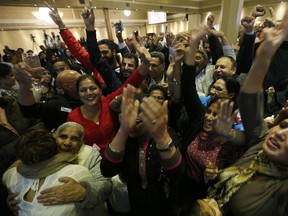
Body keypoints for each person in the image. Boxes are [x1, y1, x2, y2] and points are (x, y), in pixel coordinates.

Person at [191, 8, 288, 216]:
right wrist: (264, 56)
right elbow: (248, 99)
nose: (280, 133)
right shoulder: (261, 145)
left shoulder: (282, 188)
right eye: (283, 125)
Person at [67, 3, 151, 156]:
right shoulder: (72, 116)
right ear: (77, 94)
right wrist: (89, 28)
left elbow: (131, 84)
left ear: (100, 90)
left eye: (92, 88)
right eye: (83, 90)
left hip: (119, 154)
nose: (89, 93)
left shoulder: (108, 103)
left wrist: (146, 63)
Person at [180, 26, 246, 199]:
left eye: (216, 115)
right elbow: (187, 86)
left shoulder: (232, 144)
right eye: (209, 112)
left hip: (205, 198)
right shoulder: (199, 121)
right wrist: (193, 45)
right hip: (179, 186)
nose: (209, 117)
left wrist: (215, 176)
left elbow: (233, 179)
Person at [101, 84, 184, 215]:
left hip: (165, 204)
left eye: (138, 122)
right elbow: (107, 170)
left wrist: (161, 138)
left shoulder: (166, 134)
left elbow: (177, 173)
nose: (132, 126)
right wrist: (123, 130)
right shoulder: (126, 136)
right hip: (136, 204)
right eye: (129, 121)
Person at [2, 129, 93, 216]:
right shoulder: (77, 172)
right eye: (63, 137)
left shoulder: (13, 177)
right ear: (56, 147)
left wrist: (28, 148)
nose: (67, 143)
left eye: (74, 138)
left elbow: (8, 173)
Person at [14, 63, 83, 130]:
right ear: (67, 86)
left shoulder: (89, 97)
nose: (85, 81)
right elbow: (30, 110)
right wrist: (25, 83)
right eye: (79, 80)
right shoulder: (59, 104)